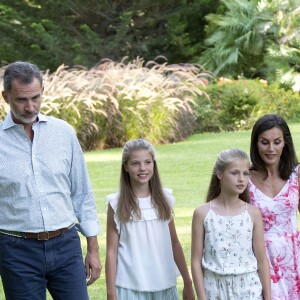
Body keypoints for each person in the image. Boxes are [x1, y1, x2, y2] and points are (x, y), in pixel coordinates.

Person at [0, 61, 101, 300]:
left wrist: (93, 249)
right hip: (16, 251)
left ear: (43, 90)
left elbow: (82, 193)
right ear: (5, 97)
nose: (30, 107)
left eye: (35, 97)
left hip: (67, 246)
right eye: (21, 100)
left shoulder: (63, 133)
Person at [105, 138, 194, 300]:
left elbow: (174, 243)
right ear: (125, 166)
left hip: (164, 285)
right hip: (129, 286)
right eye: (135, 163)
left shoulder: (165, 199)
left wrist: (188, 282)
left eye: (147, 162)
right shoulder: (116, 204)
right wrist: (111, 293)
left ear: (154, 164)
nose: (142, 168)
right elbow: (111, 251)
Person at [191, 148, 271, 300]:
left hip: (248, 289)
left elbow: (262, 260)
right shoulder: (202, 213)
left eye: (245, 173)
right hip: (214, 290)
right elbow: (195, 261)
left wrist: (268, 297)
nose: (241, 179)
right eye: (235, 173)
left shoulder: (253, 214)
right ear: (219, 174)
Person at [249, 114, 300, 299]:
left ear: (285, 143)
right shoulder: (245, 178)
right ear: (256, 143)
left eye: (277, 142)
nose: (271, 149)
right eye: (264, 142)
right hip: (261, 258)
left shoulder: (297, 174)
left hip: (294, 257)